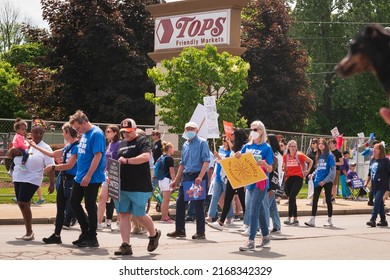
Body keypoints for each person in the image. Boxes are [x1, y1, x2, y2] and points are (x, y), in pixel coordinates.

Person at [114, 118, 161, 255]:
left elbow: (146, 157)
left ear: (135, 129)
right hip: (124, 185)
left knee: (139, 214)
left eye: (129, 131)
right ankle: (126, 245)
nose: (126, 134)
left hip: (139, 185)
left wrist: (127, 161)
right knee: (123, 214)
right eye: (124, 132)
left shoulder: (142, 141)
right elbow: (117, 162)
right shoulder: (122, 143)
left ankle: (153, 234)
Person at [29, 123, 79, 244]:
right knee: (60, 208)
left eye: (63, 131)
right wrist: (35, 147)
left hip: (72, 180)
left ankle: (88, 233)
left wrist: (53, 167)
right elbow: (52, 154)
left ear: (68, 132)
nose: (62, 134)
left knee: (76, 207)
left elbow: (69, 165)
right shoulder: (68, 146)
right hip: (64, 179)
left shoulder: (77, 147)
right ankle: (57, 235)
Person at [69, 110, 106, 248]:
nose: (77, 131)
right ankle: (85, 231)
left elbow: (98, 156)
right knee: (74, 202)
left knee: (90, 205)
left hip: (92, 177)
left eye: (78, 128)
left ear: (84, 122)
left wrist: (89, 175)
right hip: (80, 176)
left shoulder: (96, 134)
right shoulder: (84, 134)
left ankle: (92, 236)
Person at [13, 120, 55, 241]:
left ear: (43, 134)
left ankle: (29, 232)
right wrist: (12, 152)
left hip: (33, 177)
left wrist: (52, 184)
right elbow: (14, 155)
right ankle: (28, 231)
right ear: (31, 132)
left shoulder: (45, 148)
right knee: (24, 204)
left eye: (40, 133)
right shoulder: (23, 142)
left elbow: (51, 167)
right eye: (35, 132)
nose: (37, 135)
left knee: (22, 202)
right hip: (18, 176)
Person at [167, 121, 210, 240]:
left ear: (196, 131)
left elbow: (206, 161)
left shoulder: (202, 142)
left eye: (192, 129)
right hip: (187, 176)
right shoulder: (185, 145)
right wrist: (176, 180)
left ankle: (200, 232)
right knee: (180, 203)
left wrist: (200, 176)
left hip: (197, 175)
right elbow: (182, 164)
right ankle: (180, 230)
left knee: (197, 205)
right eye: (187, 129)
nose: (189, 131)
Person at [238, 120, 274, 251]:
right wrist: (237, 156)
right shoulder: (246, 146)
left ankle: (251, 240)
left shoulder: (267, 148)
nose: (252, 131)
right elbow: (239, 160)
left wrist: (264, 164)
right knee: (258, 210)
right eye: (251, 129)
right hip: (249, 182)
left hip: (260, 183)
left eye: (256, 129)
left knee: (252, 209)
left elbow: (270, 168)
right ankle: (265, 236)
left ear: (262, 131)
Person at [208, 129, 247, 231]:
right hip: (232, 177)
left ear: (237, 136)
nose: (231, 136)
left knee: (243, 200)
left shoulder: (243, 148)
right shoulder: (235, 148)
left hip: (239, 178)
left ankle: (248, 223)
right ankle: (221, 222)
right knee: (227, 199)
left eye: (232, 134)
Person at [305, 138, 336, 227]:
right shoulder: (318, 156)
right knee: (315, 200)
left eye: (322, 143)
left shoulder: (329, 156)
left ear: (325, 145)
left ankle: (329, 220)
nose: (320, 145)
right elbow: (318, 168)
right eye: (319, 143)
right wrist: (313, 174)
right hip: (318, 181)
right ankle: (312, 219)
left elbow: (333, 170)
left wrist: (325, 180)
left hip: (327, 181)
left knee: (328, 201)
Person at [283, 140, 313, 226]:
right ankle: (295, 219)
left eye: (294, 146)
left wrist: (307, 171)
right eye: (291, 146)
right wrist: (283, 171)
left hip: (298, 178)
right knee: (292, 198)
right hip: (288, 178)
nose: (293, 148)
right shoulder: (285, 156)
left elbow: (311, 161)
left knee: (292, 197)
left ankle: (289, 218)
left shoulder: (300, 155)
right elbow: (285, 167)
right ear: (288, 147)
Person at [97, 124, 121, 231]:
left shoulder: (119, 144)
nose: (106, 133)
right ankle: (98, 223)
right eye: (106, 131)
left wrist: (113, 174)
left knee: (117, 199)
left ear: (115, 133)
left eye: (108, 131)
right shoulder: (109, 144)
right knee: (102, 197)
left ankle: (120, 222)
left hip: (117, 174)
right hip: (107, 174)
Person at [206, 135, 234, 223]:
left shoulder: (231, 152)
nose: (223, 142)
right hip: (218, 176)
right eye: (222, 140)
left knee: (227, 198)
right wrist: (216, 159)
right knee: (215, 196)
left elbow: (227, 163)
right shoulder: (220, 149)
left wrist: (218, 157)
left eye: (225, 140)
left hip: (226, 177)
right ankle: (210, 215)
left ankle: (229, 216)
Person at [365, 143, 390, 227]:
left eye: (376, 149)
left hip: (383, 185)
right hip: (374, 185)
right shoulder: (372, 160)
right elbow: (369, 173)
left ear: (381, 151)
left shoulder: (385, 161)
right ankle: (383, 220)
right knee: (379, 203)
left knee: (377, 201)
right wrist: (366, 182)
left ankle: (373, 219)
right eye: (373, 149)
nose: (374, 150)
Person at [267, 134, 283, 233]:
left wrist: (274, 188)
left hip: (273, 183)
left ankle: (263, 227)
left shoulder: (276, 155)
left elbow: (277, 172)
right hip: (272, 182)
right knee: (272, 206)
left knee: (264, 207)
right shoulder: (275, 154)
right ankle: (277, 225)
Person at [158, 141, 176, 223]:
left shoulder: (161, 157)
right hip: (167, 180)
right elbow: (172, 171)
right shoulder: (169, 158)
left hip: (161, 180)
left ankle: (165, 216)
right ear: (169, 149)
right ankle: (164, 217)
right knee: (166, 200)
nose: (174, 150)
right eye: (172, 148)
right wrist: (174, 181)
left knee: (164, 199)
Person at [328, 139, 344, 203]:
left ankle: (333, 198)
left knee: (334, 184)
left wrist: (334, 163)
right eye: (329, 144)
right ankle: (329, 196)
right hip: (328, 170)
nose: (330, 145)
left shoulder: (338, 152)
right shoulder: (328, 152)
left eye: (331, 143)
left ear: (335, 144)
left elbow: (341, 162)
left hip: (336, 170)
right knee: (328, 184)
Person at [306, 138, 318, 206]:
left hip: (315, 170)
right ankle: (324, 196)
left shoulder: (319, 152)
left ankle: (312, 200)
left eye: (314, 143)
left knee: (313, 185)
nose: (313, 144)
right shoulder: (310, 151)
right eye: (312, 143)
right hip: (309, 169)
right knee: (311, 185)